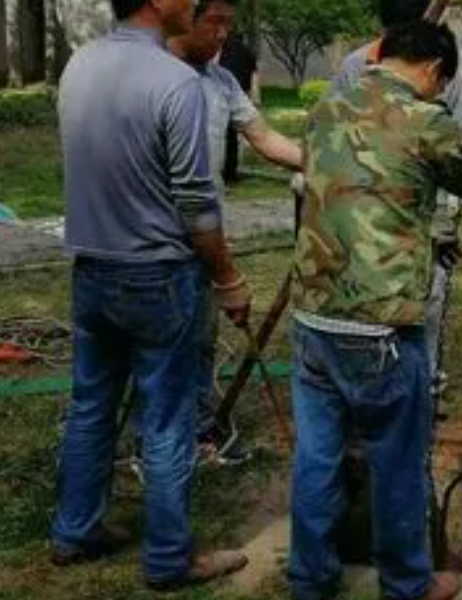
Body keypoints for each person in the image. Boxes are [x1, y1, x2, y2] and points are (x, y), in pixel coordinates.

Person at [290, 20, 462, 600]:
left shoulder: (327, 108)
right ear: (434, 70)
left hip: (311, 315)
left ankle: (309, 579)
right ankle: (408, 582)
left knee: (317, 458)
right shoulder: (426, 119)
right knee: (398, 462)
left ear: (381, 54)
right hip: (378, 325)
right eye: (442, 84)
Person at [51, 0, 249, 589]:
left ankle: (74, 531)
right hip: (158, 274)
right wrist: (228, 276)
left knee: (92, 406)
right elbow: (195, 198)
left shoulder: (79, 64)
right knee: (166, 419)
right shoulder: (175, 81)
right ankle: (169, 557)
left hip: (92, 267)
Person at [168, 0, 302, 464]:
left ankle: (198, 430)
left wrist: (328, 163)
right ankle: (160, 440)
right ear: (186, 16)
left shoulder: (222, 81)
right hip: (160, 238)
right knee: (163, 346)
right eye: (214, 22)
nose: (224, 33)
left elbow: (264, 138)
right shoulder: (157, 78)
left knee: (201, 336)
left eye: (230, 23)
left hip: (206, 234)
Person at [330, 0, 462, 388]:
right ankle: (408, 381)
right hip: (400, 211)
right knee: (416, 295)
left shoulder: (355, 67)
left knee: (413, 295)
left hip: (362, 206)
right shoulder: (364, 67)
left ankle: (413, 376)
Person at [219, 32, 259, 183]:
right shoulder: (246, 51)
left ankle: (223, 172)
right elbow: (252, 71)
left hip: (222, 93)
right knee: (232, 137)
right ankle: (230, 173)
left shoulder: (223, 49)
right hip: (238, 93)